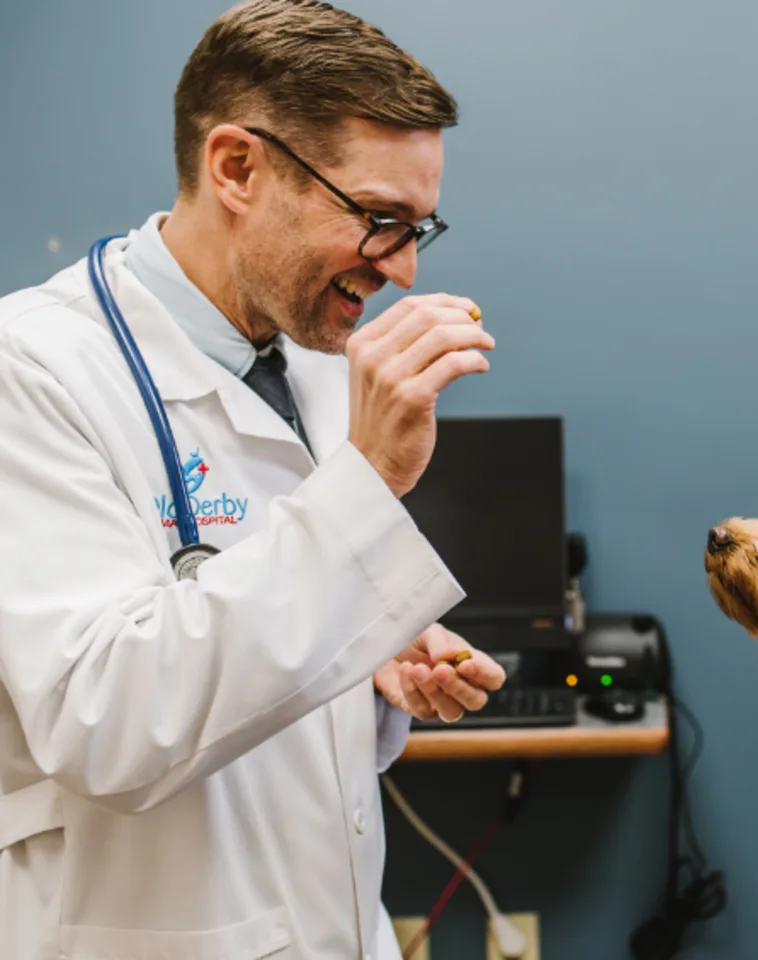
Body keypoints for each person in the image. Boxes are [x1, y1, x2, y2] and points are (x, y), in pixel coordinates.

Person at [0, 1, 509, 957]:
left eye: (419, 229)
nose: (403, 270)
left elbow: (272, 606)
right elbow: (103, 720)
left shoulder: (313, 359)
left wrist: (370, 652)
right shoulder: (29, 371)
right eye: (380, 220)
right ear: (237, 168)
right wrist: (368, 485)